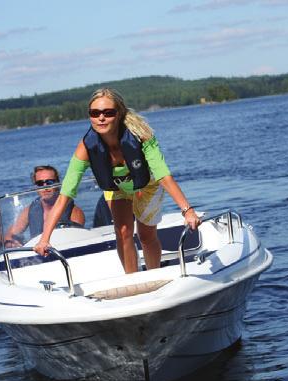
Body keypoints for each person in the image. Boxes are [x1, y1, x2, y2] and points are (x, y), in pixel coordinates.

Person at [34, 88, 201, 272]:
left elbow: (164, 175)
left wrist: (187, 210)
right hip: (118, 187)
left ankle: (154, 274)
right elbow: (65, 194)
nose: (101, 118)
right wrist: (45, 238)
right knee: (122, 233)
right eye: (95, 113)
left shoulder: (141, 136)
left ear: (119, 113)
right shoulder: (86, 147)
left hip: (148, 186)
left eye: (108, 112)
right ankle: (133, 280)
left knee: (146, 236)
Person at [4, 165, 85, 247]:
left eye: (49, 182)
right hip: (37, 257)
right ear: (36, 187)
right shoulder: (29, 211)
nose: (45, 186)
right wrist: (14, 243)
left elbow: (77, 240)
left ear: (57, 183)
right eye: (40, 183)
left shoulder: (74, 211)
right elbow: (9, 235)